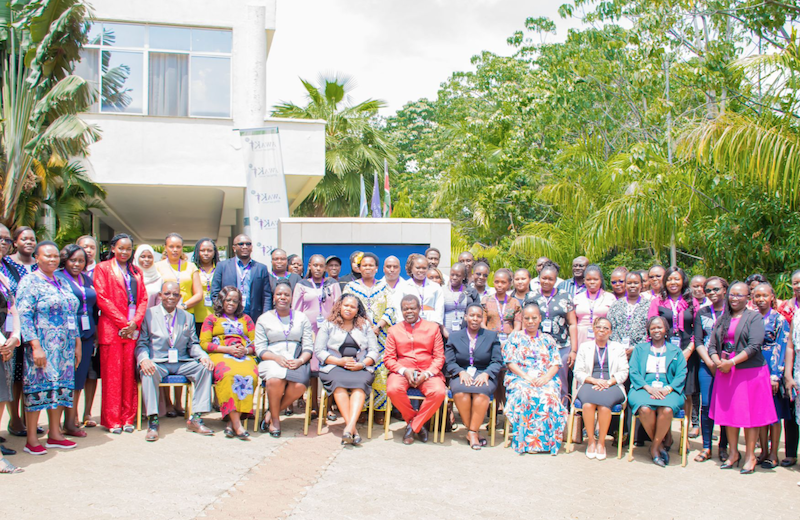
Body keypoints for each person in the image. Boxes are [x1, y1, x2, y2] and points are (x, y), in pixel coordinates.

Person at [17, 241, 81, 455]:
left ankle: (55, 434)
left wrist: (77, 342)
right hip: (42, 345)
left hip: (64, 348)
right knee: (37, 389)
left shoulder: (61, 281)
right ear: (36, 258)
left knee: (59, 390)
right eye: (47, 256)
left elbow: (72, 314)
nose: (53, 259)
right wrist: (35, 346)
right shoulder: (30, 282)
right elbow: (24, 316)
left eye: (55, 256)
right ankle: (32, 439)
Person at [708, 282, 776, 474]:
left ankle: (750, 456)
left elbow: (754, 346)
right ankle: (733, 453)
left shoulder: (754, 317)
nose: (735, 298)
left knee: (750, 417)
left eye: (740, 295)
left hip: (749, 372)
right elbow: (712, 345)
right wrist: (717, 361)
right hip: (726, 372)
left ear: (748, 297)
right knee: (728, 416)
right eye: (732, 294)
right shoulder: (723, 318)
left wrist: (732, 362)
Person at [136, 281, 215, 441]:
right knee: (147, 371)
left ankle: (196, 418)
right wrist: (144, 359)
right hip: (158, 362)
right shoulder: (149, 314)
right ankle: (153, 421)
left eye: (175, 294)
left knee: (204, 368)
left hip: (181, 362)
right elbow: (142, 343)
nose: (171, 297)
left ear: (180, 297)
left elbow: (193, 344)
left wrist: (203, 356)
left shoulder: (187, 317)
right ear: (160, 295)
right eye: (167, 294)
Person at [93, 233, 148, 433]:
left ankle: (127, 418)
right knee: (112, 376)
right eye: (121, 248)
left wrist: (134, 324)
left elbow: (143, 299)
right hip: (112, 329)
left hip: (131, 330)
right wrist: (123, 323)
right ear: (113, 248)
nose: (124, 252)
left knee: (128, 376)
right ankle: (112, 419)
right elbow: (102, 298)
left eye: (128, 248)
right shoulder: (103, 268)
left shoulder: (136, 271)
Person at [314, 294, 380, 445]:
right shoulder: (328, 324)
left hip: (359, 368)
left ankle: (349, 428)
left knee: (360, 386)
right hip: (334, 367)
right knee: (338, 384)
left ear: (358, 310)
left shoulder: (364, 326)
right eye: (346, 305)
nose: (349, 309)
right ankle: (352, 430)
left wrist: (362, 364)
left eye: (353, 306)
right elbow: (319, 351)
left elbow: (374, 352)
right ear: (339, 306)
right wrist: (339, 361)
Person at [503, 304, 567, 455]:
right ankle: (527, 443)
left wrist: (545, 378)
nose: (530, 321)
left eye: (534, 318)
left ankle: (547, 443)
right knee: (526, 394)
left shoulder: (548, 339)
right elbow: (510, 361)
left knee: (549, 395)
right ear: (522, 319)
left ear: (540, 318)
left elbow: (556, 363)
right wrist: (526, 377)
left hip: (545, 378)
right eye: (527, 318)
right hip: (520, 377)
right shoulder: (515, 337)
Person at [384, 294, 446, 445]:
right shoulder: (393, 330)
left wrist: (427, 373)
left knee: (439, 392)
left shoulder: (433, 328)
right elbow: (389, 358)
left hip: (428, 371)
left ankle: (413, 426)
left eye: (413, 308)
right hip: (403, 371)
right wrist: (404, 370)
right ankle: (418, 425)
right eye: (405, 309)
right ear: (401, 311)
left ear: (420, 309)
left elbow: (439, 357)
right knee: (393, 389)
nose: (409, 312)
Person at [255, 281, 314, 437]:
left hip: (296, 358)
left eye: (286, 295)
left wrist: (300, 361)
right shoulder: (264, 319)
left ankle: (271, 411)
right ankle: (275, 420)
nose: (283, 297)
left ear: (291, 298)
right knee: (275, 379)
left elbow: (308, 346)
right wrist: (276, 358)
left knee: (301, 385)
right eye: (279, 294)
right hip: (271, 358)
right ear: (274, 297)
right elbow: (260, 349)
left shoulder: (301, 318)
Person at [627, 316, 687, 467]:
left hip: (669, 389)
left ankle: (654, 447)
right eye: (653, 328)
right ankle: (660, 445)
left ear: (666, 329)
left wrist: (668, 388)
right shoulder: (640, 349)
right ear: (649, 331)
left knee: (667, 410)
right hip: (643, 387)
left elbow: (681, 373)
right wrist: (648, 388)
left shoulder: (676, 350)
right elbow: (633, 371)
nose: (656, 330)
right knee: (645, 409)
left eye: (659, 327)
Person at [199, 286, 257, 440]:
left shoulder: (246, 319)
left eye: (235, 301)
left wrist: (245, 351)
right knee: (229, 374)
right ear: (222, 301)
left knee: (250, 374)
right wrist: (227, 349)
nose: (232, 303)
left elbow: (256, 344)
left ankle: (231, 423)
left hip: (242, 354)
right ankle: (237, 425)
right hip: (220, 354)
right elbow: (204, 343)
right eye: (228, 300)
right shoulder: (211, 319)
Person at [444, 304, 502, 449]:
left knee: (481, 394)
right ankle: (474, 431)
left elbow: (497, 361)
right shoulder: (455, 336)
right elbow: (449, 361)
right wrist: (460, 372)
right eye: (472, 315)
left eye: (478, 316)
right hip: (461, 373)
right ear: (465, 317)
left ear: (482, 318)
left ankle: (472, 432)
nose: (475, 319)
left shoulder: (491, 336)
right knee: (461, 393)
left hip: (484, 373)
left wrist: (487, 374)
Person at [343, 253, 395, 414]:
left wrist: (378, 326)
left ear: (376, 268)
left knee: (380, 370)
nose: (367, 268)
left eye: (371, 265)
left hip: (381, 337)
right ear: (359, 267)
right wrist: (364, 326)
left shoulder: (384, 286)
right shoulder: (350, 287)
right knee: (361, 368)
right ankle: (361, 410)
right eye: (364, 265)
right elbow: (345, 308)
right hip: (358, 335)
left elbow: (391, 309)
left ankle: (380, 410)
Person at [55, 245, 97, 438]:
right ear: (65, 259)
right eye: (73, 260)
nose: (77, 264)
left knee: (79, 380)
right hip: (65, 337)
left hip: (87, 336)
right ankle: (59, 424)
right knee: (65, 380)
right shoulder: (58, 278)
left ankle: (71, 421)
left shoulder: (87, 279)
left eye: (81, 261)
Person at [573, 317, 629, 460]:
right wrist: (594, 380)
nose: (602, 330)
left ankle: (601, 443)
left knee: (605, 407)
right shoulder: (585, 347)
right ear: (594, 329)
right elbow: (578, 371)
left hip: (612, 384)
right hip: (589, 383)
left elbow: (624, 371)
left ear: (610, 332)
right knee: (588, 404)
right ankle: (591, 441)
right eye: (599, 327)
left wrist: (609, 382)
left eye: (606, 328)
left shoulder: (618, 348)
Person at [648, 266, 697, 426]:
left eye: (677, 278)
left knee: (687, 393)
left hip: (687, 349)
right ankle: (666, 434)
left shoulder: (691, 301)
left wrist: (689, 349)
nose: (673, 282)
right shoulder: (658, 301)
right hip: (663, 349)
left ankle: (685, 436)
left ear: (683, 281)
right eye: (669, 279)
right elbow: (651, 326)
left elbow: (698, 328)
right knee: (665, 389)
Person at [523, 262, 578, 402]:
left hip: (561, 346)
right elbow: (525, 321)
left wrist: (573, 350)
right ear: (539, 278)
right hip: (536, 346)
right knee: (537, 380)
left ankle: (561, 415)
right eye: (544, 278)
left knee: (561, 382)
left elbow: (572, 323)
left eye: (550, 279)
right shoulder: (531, 297)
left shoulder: (565, 296)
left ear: (555, 280)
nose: (546, 281)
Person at [752, 283, 790, 469]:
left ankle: (773, 453)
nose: (760, 299)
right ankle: (763, 452)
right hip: (753, 371)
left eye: (764, 295)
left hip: (772, 371)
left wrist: (776, 375)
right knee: (759, 414)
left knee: (774, 415)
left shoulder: (779, 320)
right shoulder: (750, 318)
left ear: (772, 297)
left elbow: (782, 348)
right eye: (757, 296)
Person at [692, 276, 731, 462]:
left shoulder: (734, 312)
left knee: (725, 405)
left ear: (725, 290)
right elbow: (698, 341)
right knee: (706, 404)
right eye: (708, 290)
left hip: (728, 366)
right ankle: (706, 446)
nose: (712, 293)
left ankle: (723, 446)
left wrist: (723, 364)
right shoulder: (702, 312)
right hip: (706, 365)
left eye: (716, 289)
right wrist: (709, 363)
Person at [5, 226, 37, 438]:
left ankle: (29, 419)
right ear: (15, 242)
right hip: (12, 327)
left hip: (35, 327)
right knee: (13, 375)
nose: (29, 242)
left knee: (30, 374)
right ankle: (14, 419)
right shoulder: (6, 264)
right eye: (24, 239)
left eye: (32, 239)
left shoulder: (39, 265)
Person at [210, 234, 273, 323]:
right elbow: (215, 292)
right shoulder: (222, 266)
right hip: (228, 316)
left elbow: (267, 295)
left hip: (254, 317)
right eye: (241, 244)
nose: (245, 247)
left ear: (251, 247)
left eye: (248, 244)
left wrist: (265, 316)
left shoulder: (261, 268)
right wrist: (222, 311)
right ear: (234, 248)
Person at [0, 224, 22, 465]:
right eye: (1, 239)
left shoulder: (6, 271)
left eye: (7, 240)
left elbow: (12, 307)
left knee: (2, 393)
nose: (4, 244)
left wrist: (15, 336)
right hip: (1, 342)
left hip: (7, 344)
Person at [77, 236, 101, 429]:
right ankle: (72, 414)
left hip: (94, 327)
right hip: (74, 330)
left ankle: (87, 412)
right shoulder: (66, 273)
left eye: (92, 247)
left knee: (92, 373)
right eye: (85, 247)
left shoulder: (99, 271)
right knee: (76, 373)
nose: (88, 250)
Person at [292, 254, 342, 335]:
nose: (318, 269)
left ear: (325, 268)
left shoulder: (332, 283)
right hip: (307, 329)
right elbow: (296, 310)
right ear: (309, 266)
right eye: (315, 265)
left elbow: (338, 307)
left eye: (321, 266)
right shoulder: (301, 285)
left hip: (329, 328)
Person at [155, 233, 202, 315]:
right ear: (165, 247)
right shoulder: (157, 266)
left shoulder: (191, 266)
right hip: (164, 313)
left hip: (186, 312)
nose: (175, 250)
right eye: (171, 246)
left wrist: (183, 306)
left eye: (178, 247)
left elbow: (199, 294)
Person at [393, 254, 444, 325]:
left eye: (424, 268)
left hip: (430, 324)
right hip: (410, 325)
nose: (421, 270)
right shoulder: (402, 287)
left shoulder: (435, 287)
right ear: (411, 268)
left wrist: (435, 325)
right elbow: (398, 309)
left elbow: (439, 309)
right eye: (418, 268)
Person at [573, 264, 616, 345]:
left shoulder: (610, 298)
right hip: (580, 337)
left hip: (602, 336)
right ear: (584, 281)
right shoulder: (577, 298)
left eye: (595, 279)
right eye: (589, 279)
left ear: (601, 280)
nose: (592, 282)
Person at [607, 271, 650, 350]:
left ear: (641, 285)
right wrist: (617, 347)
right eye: (629, 283)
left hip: (640, 350)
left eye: (636, 283)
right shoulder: (616, 305)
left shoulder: (648, 305)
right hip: (617, 350)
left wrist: (635, 348)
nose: (632, 286)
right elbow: (610, 327)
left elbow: (649, 331)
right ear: (625, 285)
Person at [482, 269, 522, 344]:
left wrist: (510, 338)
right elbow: (482, 323)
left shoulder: (514, 302)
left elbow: (518, 324)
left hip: (510, 340)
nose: (499, 285)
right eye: (497, 282)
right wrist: (490, 337)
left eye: (503, 282)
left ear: (509, 284)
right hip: (489, 340)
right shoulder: (486, 301)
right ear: (493, 282)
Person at [442, 263, 479, 340]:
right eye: (452, 275)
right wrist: (445, 332)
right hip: (445, 335)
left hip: (466, 335)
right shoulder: (442, 291)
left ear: (464, 276)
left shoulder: (471, 292)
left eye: (458, 275)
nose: (454, 278)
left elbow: (477, 312)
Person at [192, 238, 219, 336]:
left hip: (215, 315)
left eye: (209, 250)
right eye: (202, 250)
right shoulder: (192, 268)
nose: (206, 253)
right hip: (196, 315)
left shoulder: (220, 268)